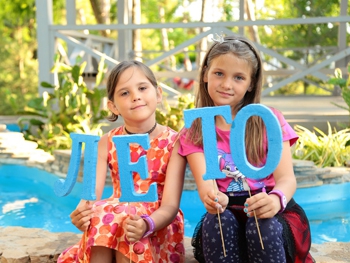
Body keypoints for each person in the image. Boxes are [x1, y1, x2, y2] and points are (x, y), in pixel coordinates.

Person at [178, 35, 314, 263]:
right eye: (219, 73)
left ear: (251, 83)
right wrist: (212, 199)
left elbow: (287, 179)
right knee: (217, 223)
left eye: (238, 77)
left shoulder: (268, 121)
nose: (226, 84)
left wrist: (276, 200)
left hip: (269, 212)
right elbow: (207, 186)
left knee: (263, 225)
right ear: (205, 75)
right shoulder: (196, 130)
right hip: (226, 214)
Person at [57, 60, 186, 263]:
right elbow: (90, 196)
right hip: (114, 217)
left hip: (156, 224)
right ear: (113, 106)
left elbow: (170, 206)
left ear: (158, 94)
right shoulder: (106, 142)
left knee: (127, 216)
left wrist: (147, 224)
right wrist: (82, 213)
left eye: (142, 88)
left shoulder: (174, 142)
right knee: (103, 212)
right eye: (124, 93)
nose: (136, 96)